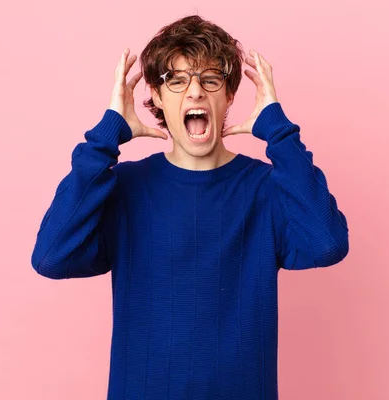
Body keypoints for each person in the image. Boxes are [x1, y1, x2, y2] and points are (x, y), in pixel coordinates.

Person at [31, 14, 349, 400]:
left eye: (210, 79)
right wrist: (105, 138)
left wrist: (279, 132)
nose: (195, 92)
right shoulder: (125, 188)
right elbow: (50, 256)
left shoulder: (267, 189)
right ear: (159, 98)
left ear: (229, 95)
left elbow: (327, 244)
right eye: (176, 81)